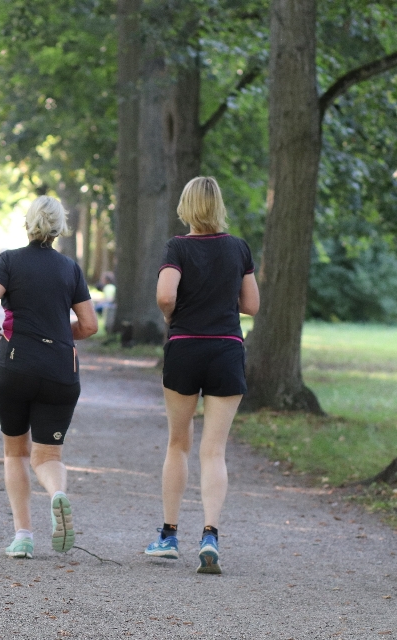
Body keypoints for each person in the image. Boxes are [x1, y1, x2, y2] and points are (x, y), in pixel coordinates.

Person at [144, 176, 260, 574]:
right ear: (219, 206)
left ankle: (169, 534)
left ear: (186, 207)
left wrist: (170, 316)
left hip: (186, 348)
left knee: (179, 444)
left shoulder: (177, 247)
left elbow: (164, 294)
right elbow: (252, 304)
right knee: (215, 449)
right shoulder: (238, 248)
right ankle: (210, 535)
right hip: (227, 349)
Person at [0, 196, 98, 559]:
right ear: (60, 228)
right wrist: (62, 335)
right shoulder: (69, 269)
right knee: (48, 455)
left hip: (14, 364)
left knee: (15, 452)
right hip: (61, 369)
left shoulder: (9, 261)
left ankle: (23, 536)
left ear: (28, 224)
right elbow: (90, 324)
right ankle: (57, 493)